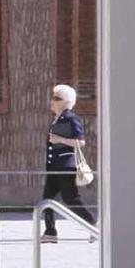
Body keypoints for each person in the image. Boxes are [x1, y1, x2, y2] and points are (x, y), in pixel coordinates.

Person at [40, 84, 97, 243]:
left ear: (66, 102)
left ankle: (94, 226)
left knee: (71, 199)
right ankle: (50, 232)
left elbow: (81, 141)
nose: (52, 101)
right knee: (47, 200)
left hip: (65, 167)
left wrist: (60, 140)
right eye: (53, 97)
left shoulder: (71, 118)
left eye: (56, 98)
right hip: (54, 167)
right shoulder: (57, 119)